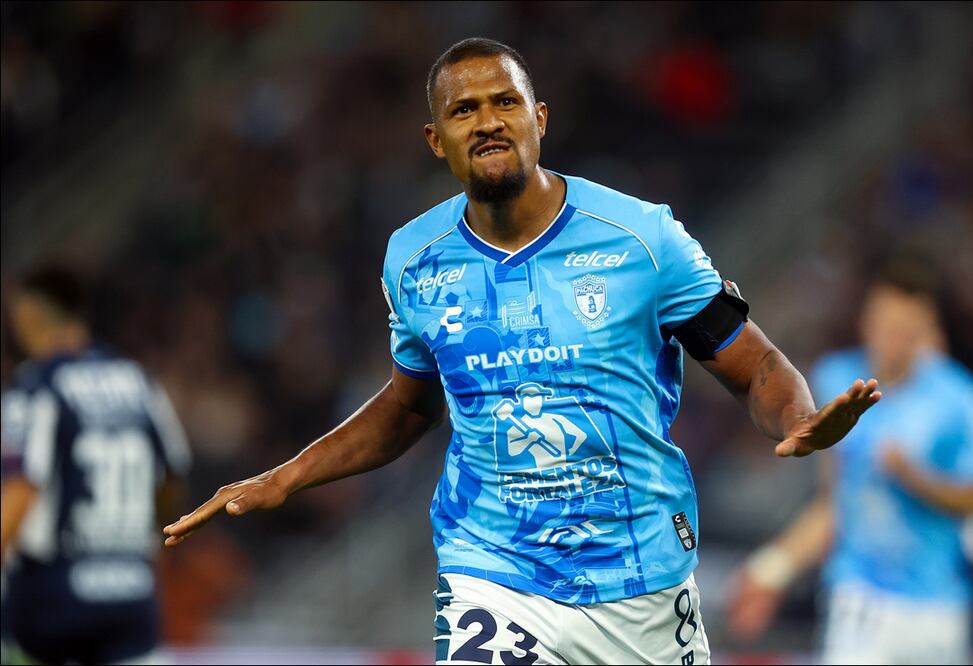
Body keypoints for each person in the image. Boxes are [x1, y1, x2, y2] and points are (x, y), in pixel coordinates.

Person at [163, 38, 880, 665]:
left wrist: (797, 420)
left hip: (638, 576)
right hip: (493, 568)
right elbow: (410, 406)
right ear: (435, 138)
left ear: (538, 119)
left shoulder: (641, 239)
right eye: (463, 109)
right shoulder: (413, 259)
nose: (486, 121)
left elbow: (753, 364)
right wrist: (286, 477)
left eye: (503, 102)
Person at [725, 259, 973, 664]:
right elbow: (838, 503)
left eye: (907, 327)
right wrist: (773, 568)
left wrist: (915, 478)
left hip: (940, 604)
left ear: (924, 331)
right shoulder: (836, 381)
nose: (894, 337)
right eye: (886, 323)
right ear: (867, 320)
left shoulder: (957, 398)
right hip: (862, 598)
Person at [0, 266, 191, 665]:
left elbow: (20, 491)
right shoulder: (138, 381)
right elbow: (173, 473)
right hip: (132, 596)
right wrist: (148, 541)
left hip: (50, 602)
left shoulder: (36, 386)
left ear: (29, 314)